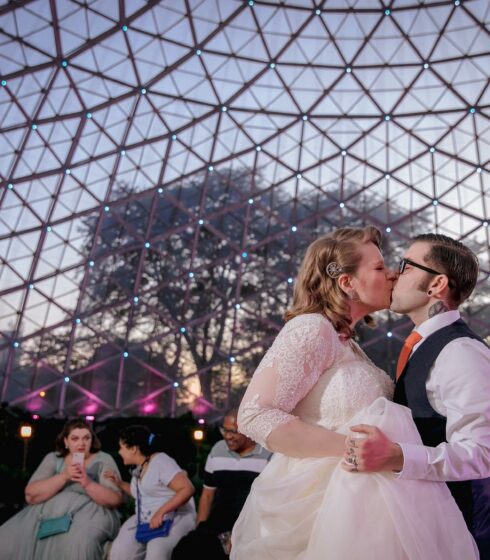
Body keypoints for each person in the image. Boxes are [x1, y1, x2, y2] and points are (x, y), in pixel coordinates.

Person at [230, 226, 479, 559]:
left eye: (401, 267)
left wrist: (386, 455)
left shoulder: (349, 345)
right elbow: (255, 414)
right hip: (318, 505)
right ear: (347, 282)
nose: (392, 274)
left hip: (362, 504)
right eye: (380, 267)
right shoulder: (312, 328)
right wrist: (353, 448)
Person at [342, 233, 490, 558]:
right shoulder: (423, 344)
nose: (394, 274)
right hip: (420, 524)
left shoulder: (460, 352)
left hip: (454, 534)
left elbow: (482, 453)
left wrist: (396, 456)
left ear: (436, 284)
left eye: (405, 266)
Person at [0, 418, 123, 560]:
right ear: (66, 441)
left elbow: (114, 499)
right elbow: (31, 495)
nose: (81, 443)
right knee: (6, 539)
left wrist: (87, 482)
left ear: (92, 440)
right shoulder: (54, 458)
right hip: (49, 515)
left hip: (90, 515)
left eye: (86, 438)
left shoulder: (103, 459)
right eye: (75, 438)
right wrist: (64, 476)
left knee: (81, 543)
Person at [172, 409, 271, 560]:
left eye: (233, 431)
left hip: (251, 525)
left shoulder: (268, 455)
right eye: (224, 430)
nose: (227, 436)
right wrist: (199, 528)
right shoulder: (217, 450)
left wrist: (242, 533)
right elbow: (207, 495)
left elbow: (269, 501)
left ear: (249, 430)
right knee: (185, 549)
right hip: (218, 524)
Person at [106, 425, 195, 560]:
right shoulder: (140, 467)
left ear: (133, 449)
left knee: (156, 551)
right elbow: (143, 494)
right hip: (147, 518)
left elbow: (187, 489)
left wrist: (161, 512)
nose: (119, 452)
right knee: (120, 551)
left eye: (121, 447)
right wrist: (119, 483)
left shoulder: (161, 461)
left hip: (175, 516)